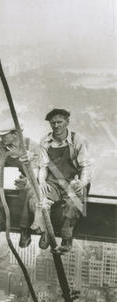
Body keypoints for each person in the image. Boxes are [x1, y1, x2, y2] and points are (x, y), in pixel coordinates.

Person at [33, 108, 91, 252]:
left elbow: (85, 166)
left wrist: (81, 183)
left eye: (59, 122)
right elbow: (43, 166)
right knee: (42, 199)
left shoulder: (77, 140)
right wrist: (42, 182)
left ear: (67, 122)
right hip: (53, 182)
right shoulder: (45, 142)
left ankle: (66, 238)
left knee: (73, 204)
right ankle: (45, 232)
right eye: (53, 123)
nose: (56, 126)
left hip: (73, 181)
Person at [0, 124, 40, 247]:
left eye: (4, 135)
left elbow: (35, 172)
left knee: (30, 191)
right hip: (7, 178)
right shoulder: (0, 145)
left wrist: (25, 180)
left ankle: (24, 229)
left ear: (15, 134)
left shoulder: (33, 146)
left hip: (27, 179)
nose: (1, 137)